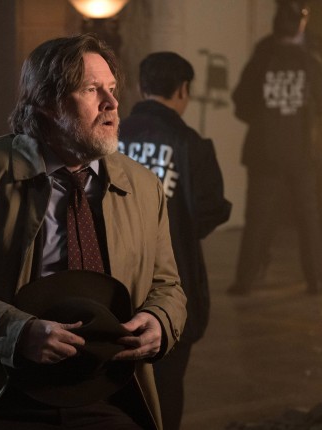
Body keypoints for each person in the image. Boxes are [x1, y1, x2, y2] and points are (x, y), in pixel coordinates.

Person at [0, 34, 187, 430]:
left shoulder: (143, 186)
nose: (111, 103)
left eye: (112, 89)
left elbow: (167, 285)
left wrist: (160, 320)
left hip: (109, 391)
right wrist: (18, 334)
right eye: (91, 90)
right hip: (3, 391)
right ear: (46, 102)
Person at [118, 52, 232, 430]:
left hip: (112, 280)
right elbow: (211, 208)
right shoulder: (190, 143)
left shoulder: (112, 134)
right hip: (171, 283)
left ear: (141, 87)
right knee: (166, 383)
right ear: (183, 90)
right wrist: (178, 230)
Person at [228, 0, 322, 296]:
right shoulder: (313, 54)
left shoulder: (265, 52)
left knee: (259, 217)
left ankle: (246, 280)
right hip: (304, 150)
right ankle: (315, 279)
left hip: (267, 151)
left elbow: (241, 101)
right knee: (309, 216)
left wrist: (268, 118)